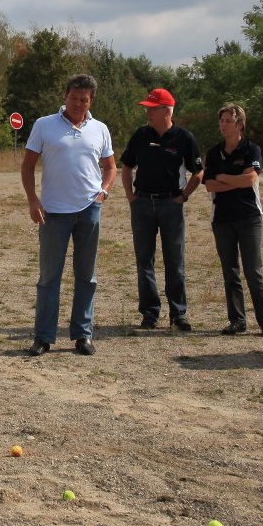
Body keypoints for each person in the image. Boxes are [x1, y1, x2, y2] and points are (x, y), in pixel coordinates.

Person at [20, 74, 116, 356]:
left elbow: (110, 166)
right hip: (53, 212)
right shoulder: (44, 125)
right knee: (49, 277)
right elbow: (27, 166)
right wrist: (33, 200)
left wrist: (103, 192)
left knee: (87, 276)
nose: (78, 103)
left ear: (91, 101)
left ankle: (83, 335)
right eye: (74, 98)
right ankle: (43, 337)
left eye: (84, 100)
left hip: (89, 210)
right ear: (65, 97)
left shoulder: (100, 129)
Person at [122, 87, 203, 331]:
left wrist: (183, 197)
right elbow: (126, 167)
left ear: (166, 111)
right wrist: (131, 197)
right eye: (146, 108)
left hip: (171, 205)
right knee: (144, 261)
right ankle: (150, 313)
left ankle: (178, 314)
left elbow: (198, 172)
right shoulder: (141, 135)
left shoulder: (184, 138)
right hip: (142, 203)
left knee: (174, 261)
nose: (147, 112)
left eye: (152, 108)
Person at [203, 103, 263, 336]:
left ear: (240, 124)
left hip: (249, 217)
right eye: (221, 121)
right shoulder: (214, 153)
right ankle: (237, 320)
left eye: (228, 121)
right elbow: (209, 185)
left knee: (253, 271)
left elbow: (250, 179)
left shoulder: (252, 149)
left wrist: (224, 177)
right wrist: (235, 179)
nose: (223, 125)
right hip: (222, 218)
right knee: (230, 271)